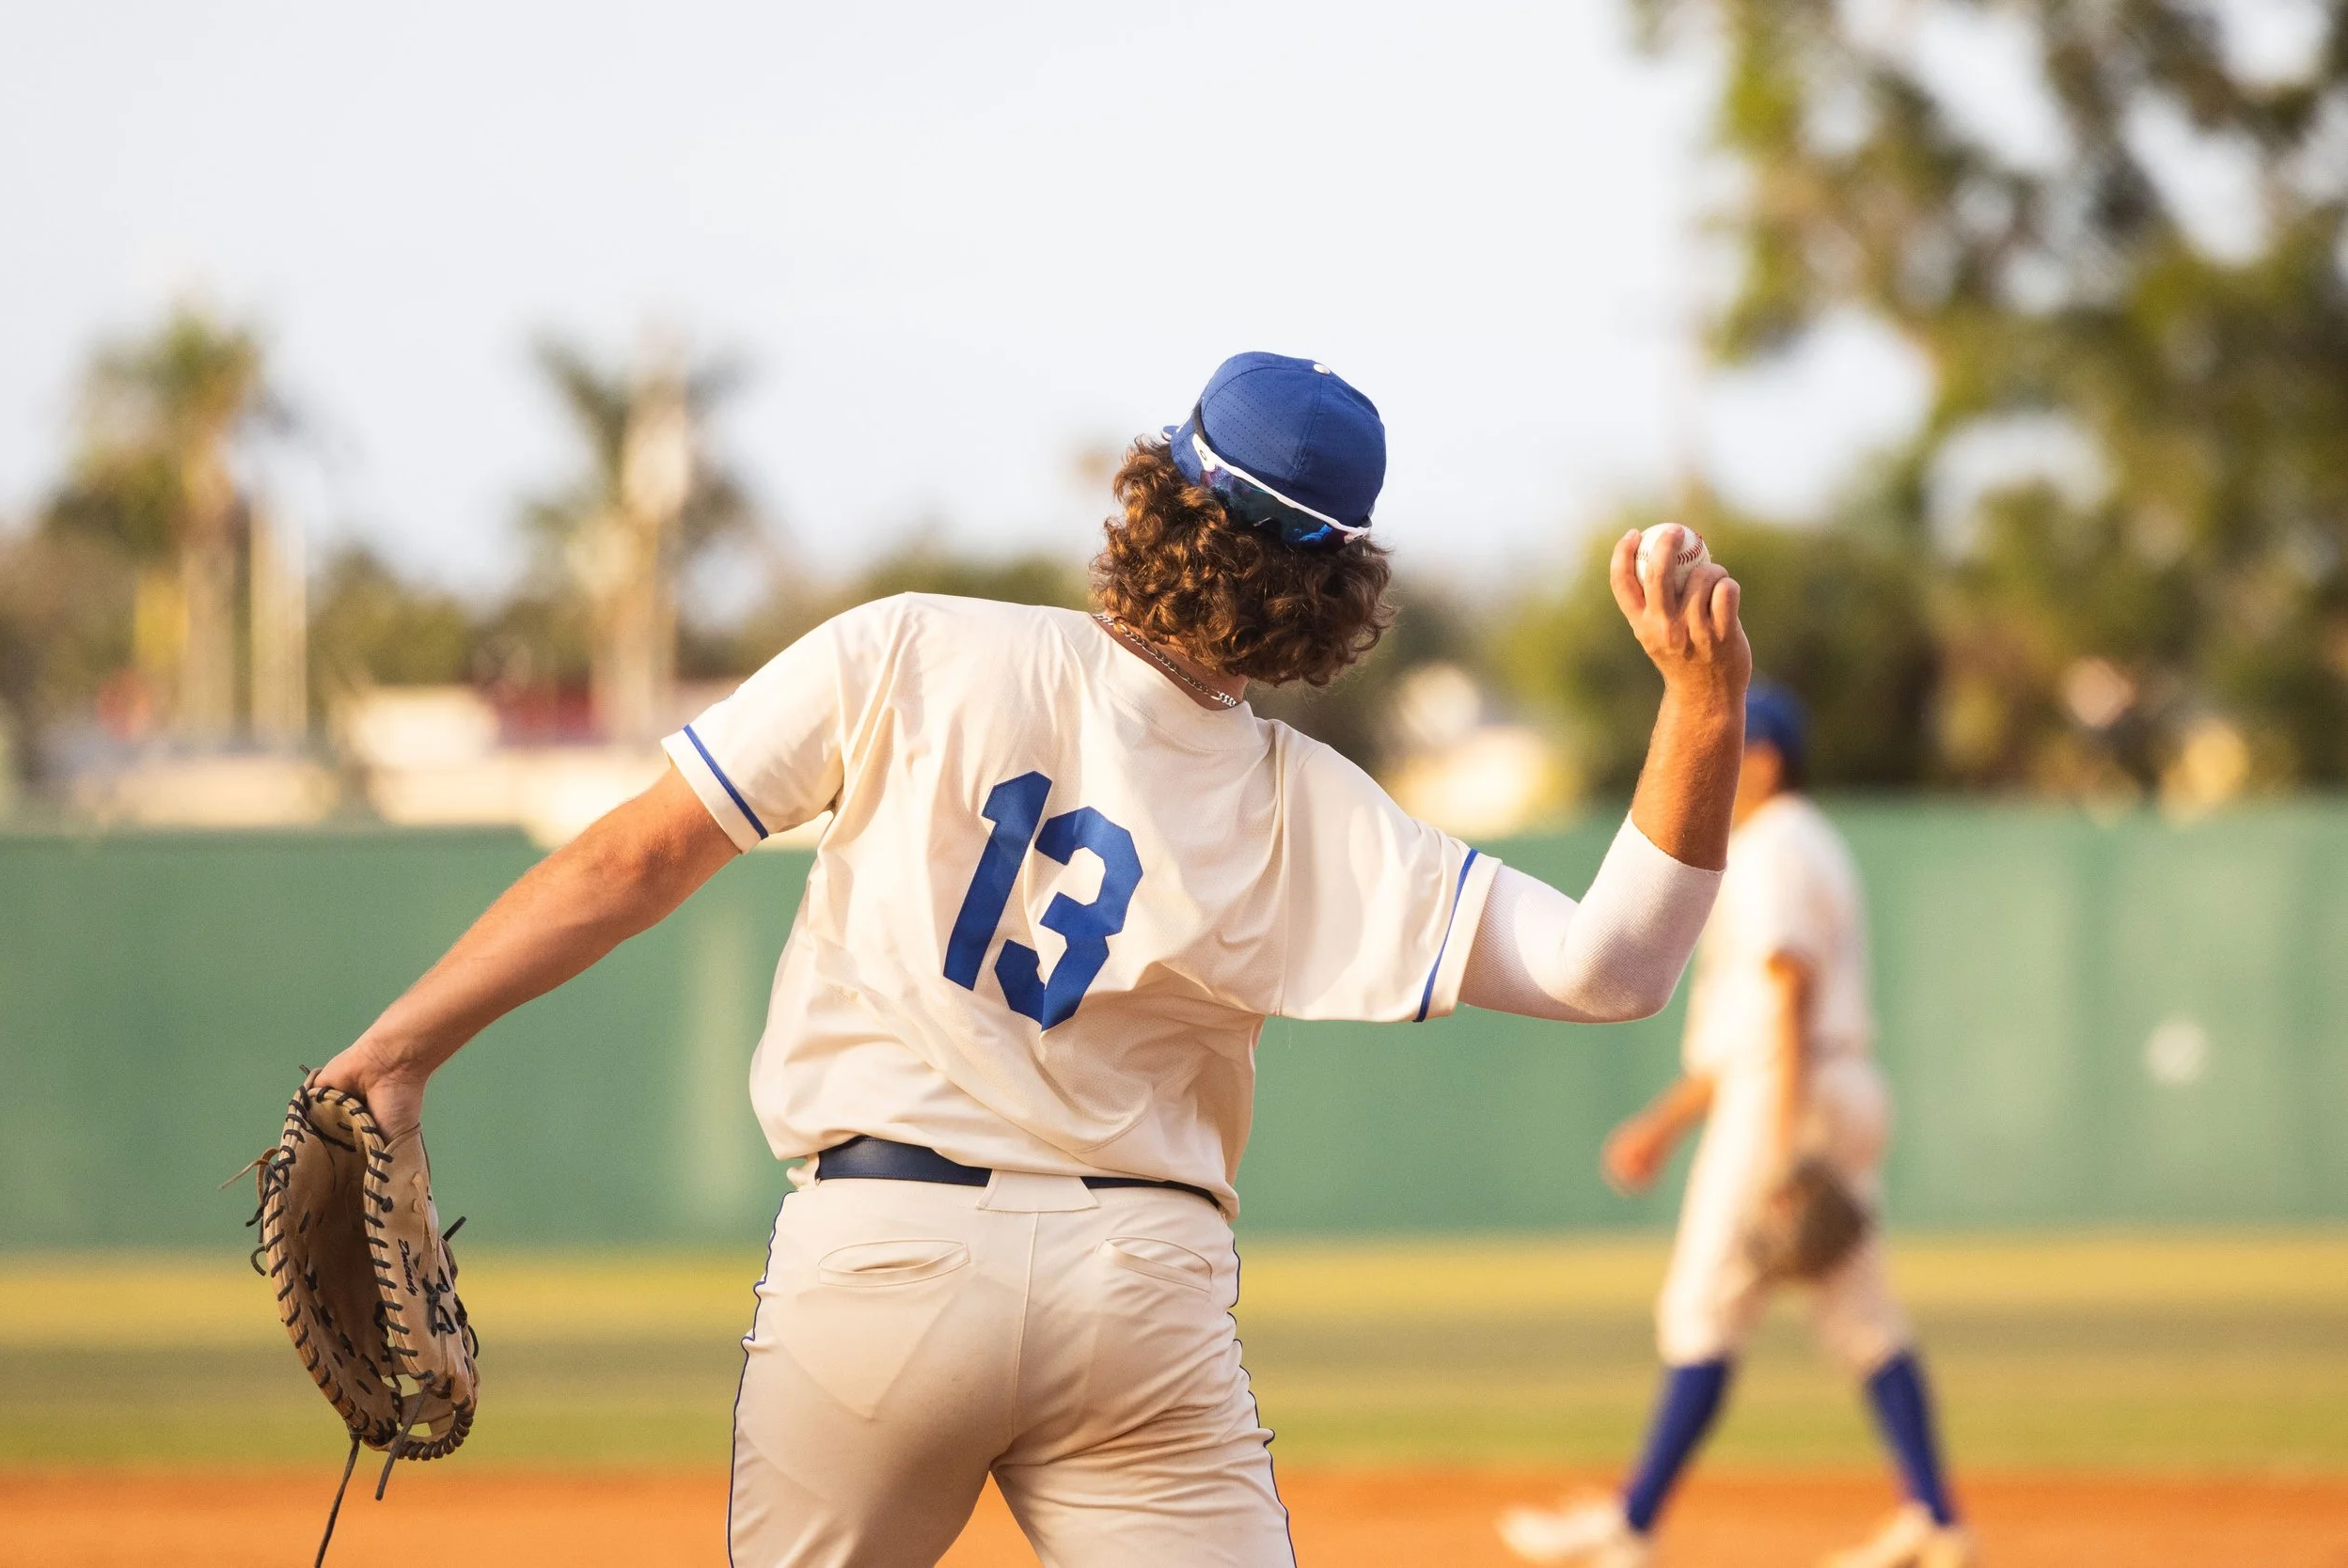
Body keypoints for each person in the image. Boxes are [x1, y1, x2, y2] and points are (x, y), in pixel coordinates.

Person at [318, 351, 1750, 1567]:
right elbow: (1612, 968)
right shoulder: (1308, 808)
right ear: (1339, 592)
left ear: (1155, 497)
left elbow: (629, 862)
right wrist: (1701, 701)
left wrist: (396, 1049)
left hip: (879, 1258)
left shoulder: (910, 651)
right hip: (1141, 1290)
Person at [1497, 682, 1972, 1568]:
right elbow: (1752, 1026)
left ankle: (1630, 1526)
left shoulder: (1775, 847)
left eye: (1728, 750)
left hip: (1790, 1095)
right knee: (1860, 1314)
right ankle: (1936, 1521)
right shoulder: (1797, 843)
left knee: (1703, 1306)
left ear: (1765, 759)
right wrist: (1665, 1124)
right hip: (1824, 1082)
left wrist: (1783, 1143)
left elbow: (1789, 993)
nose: (1715, 765)